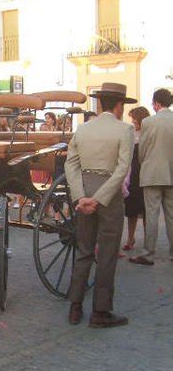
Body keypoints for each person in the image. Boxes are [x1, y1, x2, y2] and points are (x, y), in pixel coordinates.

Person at [65, 82, 135, 328]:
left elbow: (70, 165)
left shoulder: (83, 129)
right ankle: (100, 312)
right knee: (106, 254)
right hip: (109, 195)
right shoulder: (125, 130)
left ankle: (75, 307)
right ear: (118, 106)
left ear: (99, 103)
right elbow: (121, 169)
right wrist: (100, 197)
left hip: (85, 188)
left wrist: (80, 196)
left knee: (84, 250)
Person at [130, 89, 173, 265]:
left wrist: (144, 163)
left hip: (152, 172)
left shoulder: (149, 122)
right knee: (171, 215)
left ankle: (148, 253)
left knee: (152, 213)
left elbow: (143, 149)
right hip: (171, 173)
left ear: (156, 103)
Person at [121, 106, 149, 250]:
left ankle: (147, 241)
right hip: (132, 174)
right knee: (131, 210)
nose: (132, 121)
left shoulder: (148, 133)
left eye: (134, 118)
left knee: (146, 211)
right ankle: (130, 239)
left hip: (144, 173)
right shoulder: (131, 133)